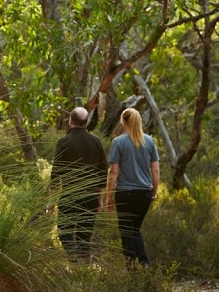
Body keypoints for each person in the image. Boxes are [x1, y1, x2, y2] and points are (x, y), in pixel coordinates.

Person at [49, 106, 107, 260]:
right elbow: (103, 172)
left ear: (70, 121)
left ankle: (74, 261)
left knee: (65, 232)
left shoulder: (63, 142)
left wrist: (51, 201)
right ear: (86, 122)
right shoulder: (96, 142)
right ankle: (84, 268)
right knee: (84, 237)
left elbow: (56, 174)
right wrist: (100, 199)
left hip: (70, 197)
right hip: (91, 198)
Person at [104, 107, 159, 266]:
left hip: (125, 194)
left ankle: (132, 269)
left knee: (127, 232)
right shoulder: (149, 141)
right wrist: (153, 192)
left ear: (123, 121)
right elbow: (155, 170)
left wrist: (109, 197)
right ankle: (143, 264)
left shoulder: (118, 142)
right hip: (144, 193)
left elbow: (113, 173)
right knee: (135, 229)